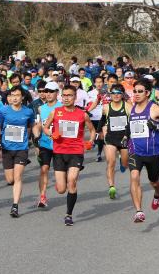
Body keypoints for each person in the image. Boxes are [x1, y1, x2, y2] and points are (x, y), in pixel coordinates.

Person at [43, 85, 96, 226]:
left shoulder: (82, 114)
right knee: (61, 189)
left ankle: (68, 214)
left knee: (72, 182)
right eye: (64, 95)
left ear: (75, 97)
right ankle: (62, 181)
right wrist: (51, 134)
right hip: (59, 152)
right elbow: (45, 127)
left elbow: (92, 130)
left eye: (69, 95)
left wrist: (91, 141)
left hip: (76, 152)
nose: (66, 98)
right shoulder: (56, 112)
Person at [128, 79, 159, 222]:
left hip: (152, 153)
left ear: (147, 93)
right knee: (134, 177)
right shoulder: (130, 107)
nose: (136, 94)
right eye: (135, 91)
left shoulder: (154, 108)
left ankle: (157, 193)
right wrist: (125, 138)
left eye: (140, 91)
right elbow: (128, 127)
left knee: (154, 181)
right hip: (135, 151)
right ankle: (139, 211)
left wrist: (157, 125)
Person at [0, 86, 35, 217]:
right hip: (6, 148)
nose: (15, 98)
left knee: (18, 178)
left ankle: (15, 206)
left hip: (21, 149)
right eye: (13, 95)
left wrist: (35, 137)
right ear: (10, 97)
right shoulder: (3, 110)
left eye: (18, 95)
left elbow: (31, 126)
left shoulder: (28, 112)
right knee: (10, 179)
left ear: (22, 97)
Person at [99, 84, 131, 199]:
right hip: (110, 138)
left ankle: (123, 163)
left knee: (125, 163)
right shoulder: (106, 108)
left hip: (124, 139)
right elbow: (102, 121)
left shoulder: (127, 106)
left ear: (122, 95)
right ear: (110, 95)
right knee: (110, 162)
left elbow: (132, 122)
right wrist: (99, 133)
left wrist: (129, 136)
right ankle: (111, 186)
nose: (116, 95)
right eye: (114, 93)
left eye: (118, 93)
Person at [33, 81, 62, 208]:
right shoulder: (41, 108)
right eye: (46, 91)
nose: (48, 94)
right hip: (45, 144)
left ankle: (60, 182)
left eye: (51, 91)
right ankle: (42, 197)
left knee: (60, 176)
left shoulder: (62, 107)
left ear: (57, 93)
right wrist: (36, 136)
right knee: (44, 169)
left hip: (60, 145)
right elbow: (39, 125)